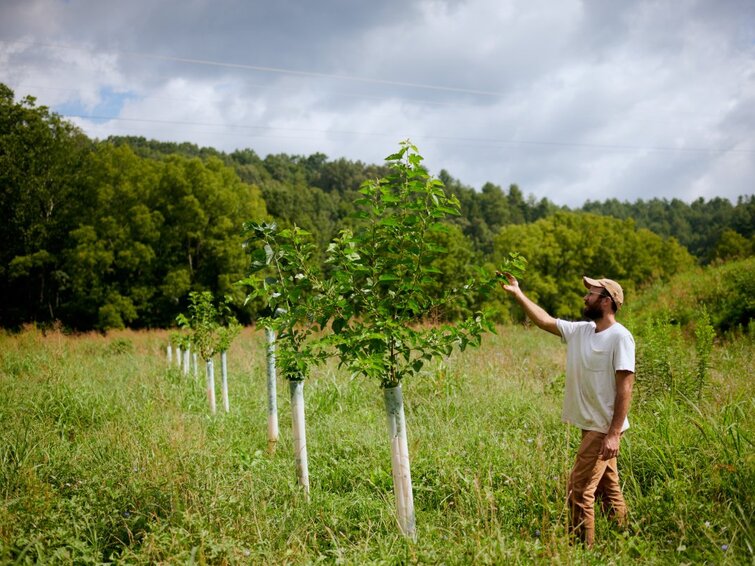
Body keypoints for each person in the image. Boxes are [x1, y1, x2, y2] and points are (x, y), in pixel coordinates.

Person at [499, 273, 635, 547]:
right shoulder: (582, 331)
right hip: (591, 426)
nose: (585, 298)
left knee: (579, 490)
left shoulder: (620, 338)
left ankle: (580, 551)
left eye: (591, 294)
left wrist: (613, 433)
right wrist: (518, 294)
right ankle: (626, 542)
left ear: (606, 302)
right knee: (608, 490)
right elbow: (544, 320)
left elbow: (625, 389)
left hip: (603, 429)